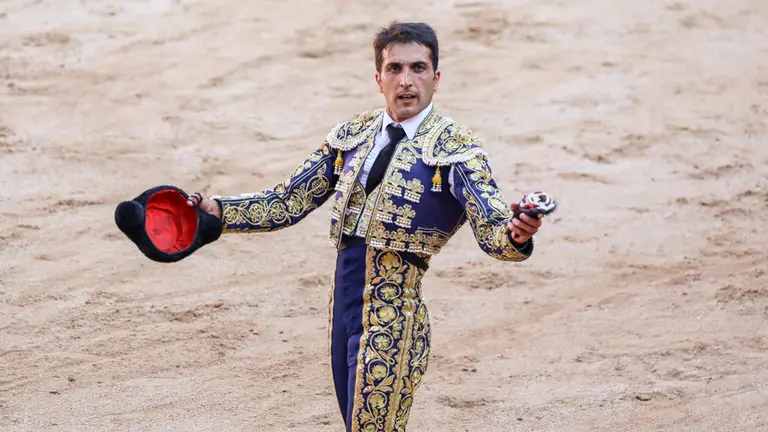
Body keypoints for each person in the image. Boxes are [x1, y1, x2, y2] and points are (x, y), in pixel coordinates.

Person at [186, 21, 545, 432]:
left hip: (395, 310)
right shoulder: (353, 135)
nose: (406, 81)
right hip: (342, 306)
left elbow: (492, 225)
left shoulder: (455, 148)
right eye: (394, 69)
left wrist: (517, 232)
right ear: (379, 79)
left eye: (418, 68)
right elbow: (287, 201)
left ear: (436, 78)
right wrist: (217, 210)